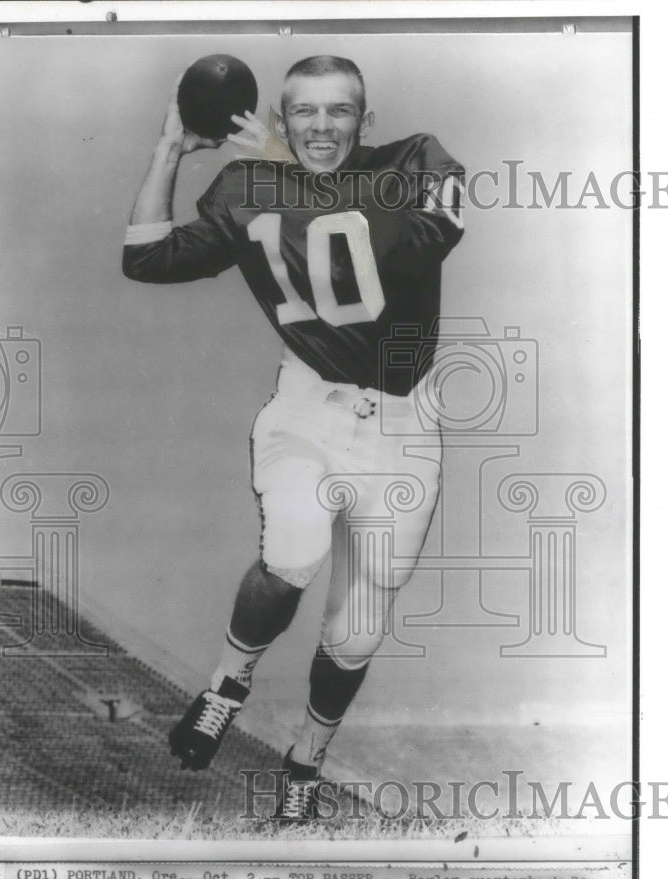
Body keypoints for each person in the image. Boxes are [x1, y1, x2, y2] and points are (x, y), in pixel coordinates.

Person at [123, 55, 465, 822]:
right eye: (302, 112)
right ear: (282, 115)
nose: (319, 127)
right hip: (307, 408)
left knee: (357, 630)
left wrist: (288, 170)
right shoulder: (247, 187)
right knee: (294, 548)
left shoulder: (419, 163)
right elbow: (145, 258)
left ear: (364, 122)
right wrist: (167, 154)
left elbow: (404, 244)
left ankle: (305, 762)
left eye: (337, 111)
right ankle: (226, 686)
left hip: (404, 426)